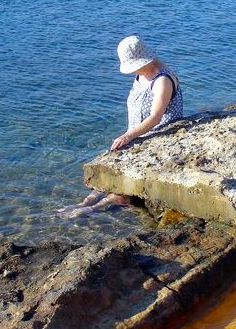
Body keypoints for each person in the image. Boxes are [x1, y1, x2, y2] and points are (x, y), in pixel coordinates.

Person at [58, 36, 183, 218]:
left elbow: (156, 117)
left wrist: (128, 136)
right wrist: (130, 135)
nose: (132, 71)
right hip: (138, 134)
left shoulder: (162, 80)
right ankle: (85, 202)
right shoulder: (142, 74)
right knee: (109, 176)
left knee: (124, 185)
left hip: (159, 136)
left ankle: (92, 209)